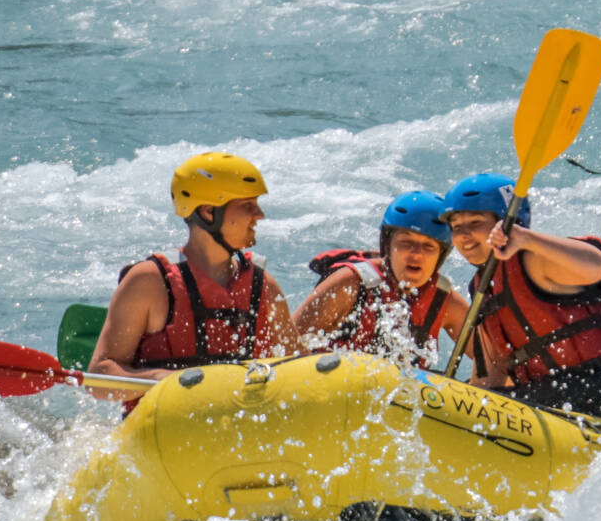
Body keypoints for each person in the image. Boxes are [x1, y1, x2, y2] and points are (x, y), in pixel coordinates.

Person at [89, 152, 302, 383]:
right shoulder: (150, 281)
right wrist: (168, 380)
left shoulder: (263, 287)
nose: (259, 215)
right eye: (248, 205)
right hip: (163, 415)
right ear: (208, 211)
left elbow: (300, 365)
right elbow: (99, 377)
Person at [439, 171, 601, 415]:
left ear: (507, 223)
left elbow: (599, 267)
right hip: (548, 401)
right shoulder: (483, 287)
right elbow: (491, 372)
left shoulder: (534, 258)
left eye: (475, 223)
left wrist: (527, 239)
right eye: (456, 227)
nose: (462, 235)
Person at [294, 191, 468, 367]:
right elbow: (284, 342)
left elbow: (489, 357)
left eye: (428, 246)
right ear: (387, 246)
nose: (416, 254)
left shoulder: (444, 300)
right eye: (405, 243)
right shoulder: (350, 284)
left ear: (441, 256)